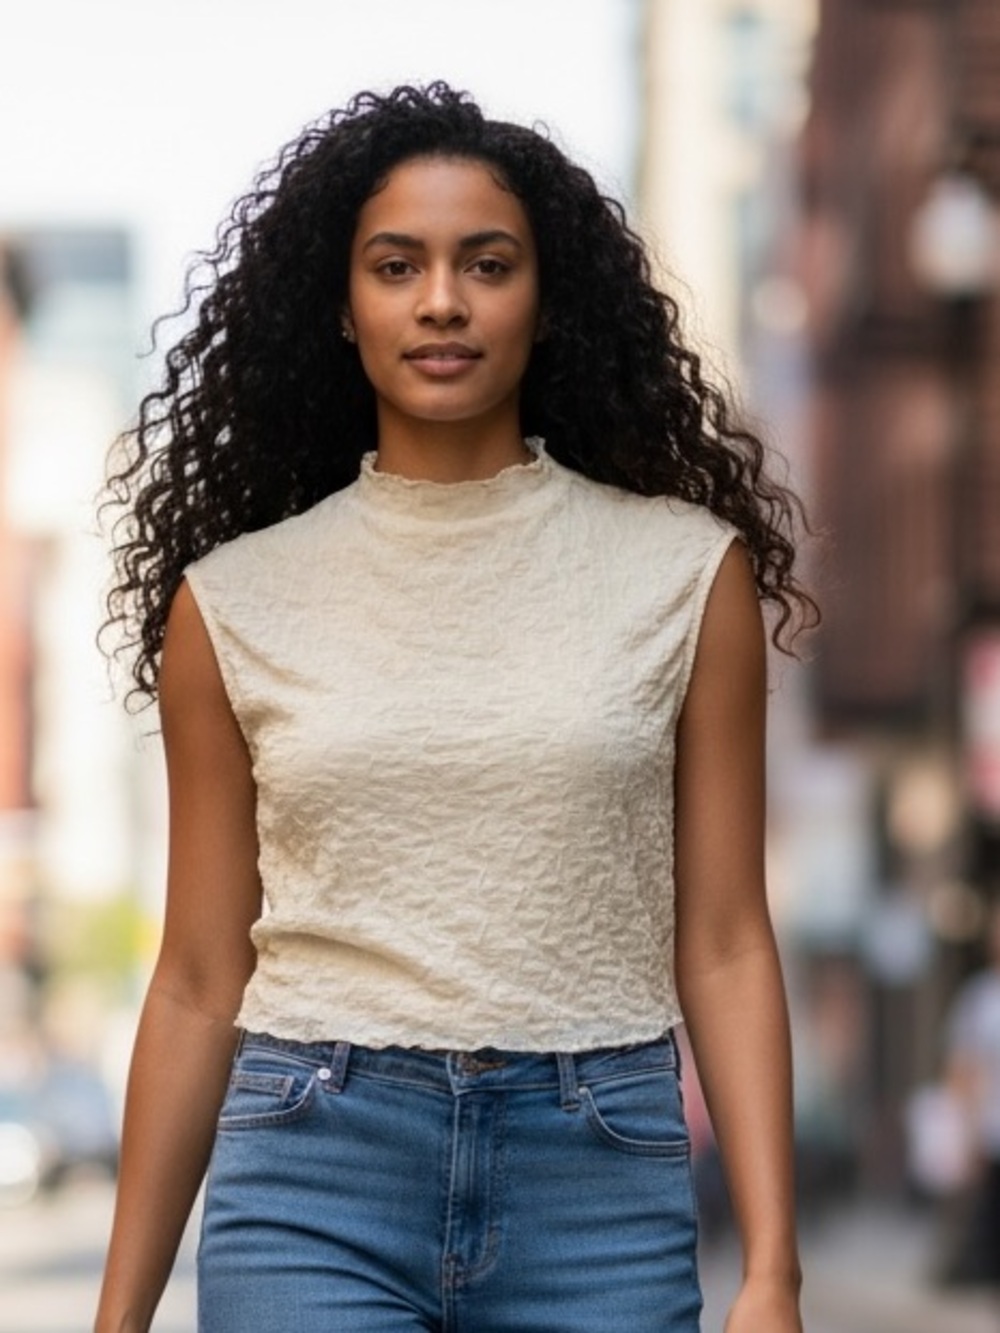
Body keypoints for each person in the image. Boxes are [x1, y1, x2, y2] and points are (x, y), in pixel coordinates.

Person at [95, 82, 816, 1333]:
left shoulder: (685, 574)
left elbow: (724, 939)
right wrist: (119, 1318)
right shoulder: (232, 602)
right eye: (396, 266)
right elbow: (200, 976)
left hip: (595, 1178)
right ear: (342, 305)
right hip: (314, 1168)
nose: (442, 301)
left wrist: (772, 1270)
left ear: (546, 300)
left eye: (487, 264)